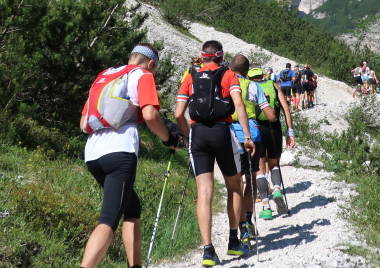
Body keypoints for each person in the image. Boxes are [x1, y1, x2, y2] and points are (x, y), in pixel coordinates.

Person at [80, 43, 183, 268]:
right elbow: (150, 115)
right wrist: (169, 139)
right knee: (108, 219)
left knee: (132, 207)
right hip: (120, 150)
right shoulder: (143, 75)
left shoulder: (104, 75)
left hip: (93, 153)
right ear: (151, 63)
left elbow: (83, 122)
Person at [175, 41, 255, 267]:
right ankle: (233, 241)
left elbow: (179, 113)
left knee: (204, 192)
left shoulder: (190, 76)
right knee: (234, 186)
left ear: (202, 57)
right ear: (221, 56)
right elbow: (239, 105)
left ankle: (208, 251)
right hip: (222, 132)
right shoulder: (229, 75)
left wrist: (188, 136)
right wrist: (247, 137)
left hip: (198, 134)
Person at [229, 59, 275, 247]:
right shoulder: (253, 86)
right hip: (252, 135)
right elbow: (270, 115)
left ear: (231, 69)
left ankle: (241, 227)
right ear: (247, 71)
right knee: (251, 178)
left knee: (236, 182)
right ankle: (248, 218)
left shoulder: (226, 83)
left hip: (230, 134)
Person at [251, 67, 295, 220]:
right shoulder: (273, 85)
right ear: (262, 74)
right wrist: (290, 133)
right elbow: (286, 109)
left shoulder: (249, 87)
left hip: (257, 129)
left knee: (260, 169)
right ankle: (276, 190)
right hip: (274, 128)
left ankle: (266, 206)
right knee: (274, 164)